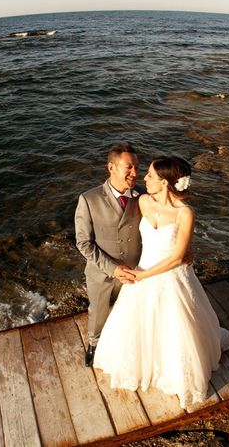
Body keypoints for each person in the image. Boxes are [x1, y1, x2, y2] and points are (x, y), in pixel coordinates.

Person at [93, 156, 229, 408]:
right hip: (142, 272)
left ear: (165, 183)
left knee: (176, 328)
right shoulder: (144, 201)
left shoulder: (185, 214)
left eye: (149, 176)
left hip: (169, 277)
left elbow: (178, 257)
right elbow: (117, 204)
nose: (143, 178)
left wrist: (142, 276)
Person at [74, 142, 143, 366]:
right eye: (129, 167)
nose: (135, 173)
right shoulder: (89, 199)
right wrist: (113, 268)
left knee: (132, 311)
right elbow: (84, 243)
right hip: (101, 272)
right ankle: (93, 344)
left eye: (137, 167)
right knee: (98, 311)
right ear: (111, 168)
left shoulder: (143, 196)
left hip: (135, 271)